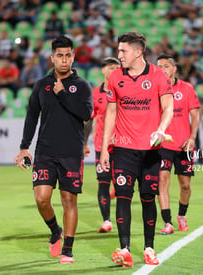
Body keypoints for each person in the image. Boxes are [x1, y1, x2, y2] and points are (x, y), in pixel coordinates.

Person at [14, 35, 93, 264]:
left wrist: (62, 94)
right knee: (41, 199)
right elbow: (31, 116)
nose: (64, 59)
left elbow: (86, 114)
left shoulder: (81, 86)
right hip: (45, 152)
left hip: (71, 152)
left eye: (68, 55)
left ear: (73, 56)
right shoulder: (41, 85)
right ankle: (55, 230)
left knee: (69, 200)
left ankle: (68, 250)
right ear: (52, 58)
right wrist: (24, 148)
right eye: (60, 55)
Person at [99, 32, 174, 268]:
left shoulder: (158, 76)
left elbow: (168, 106)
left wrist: (161, 129)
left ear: (138, 52)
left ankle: (149, 248)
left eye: (123, 51)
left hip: (151, 149)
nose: (119, 55)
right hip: (122, 148)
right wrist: (104, 149)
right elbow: (110, 112)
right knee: (122, 197)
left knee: (147, 198)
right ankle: (125, 249)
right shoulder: (115, 78)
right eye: (119, 51)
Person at [155, 54, 200, 235]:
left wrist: (192, 138)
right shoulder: (154, 89)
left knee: (185, 185)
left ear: (174, 68)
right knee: (162, 181)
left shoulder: (187, 89)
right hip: (162, 145)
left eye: (166, 66)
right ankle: (168, 223)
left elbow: (195, 115)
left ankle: (182, 215)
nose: (162, 69)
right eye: (159, 66)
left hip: (184, 146)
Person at [85, 57, 121, 233]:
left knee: (124, 185)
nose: (115, 70)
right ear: (103, 70)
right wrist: (84, 143)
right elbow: (89, 120)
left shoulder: (125, 90)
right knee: (103, 183)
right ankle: (107, 221)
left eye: (117, 67)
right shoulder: (95, 94)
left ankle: (122, 220)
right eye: (111, 67)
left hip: (123, 145)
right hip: (102, 147)